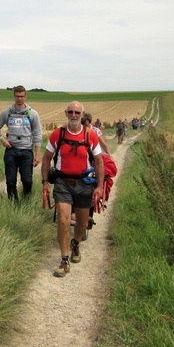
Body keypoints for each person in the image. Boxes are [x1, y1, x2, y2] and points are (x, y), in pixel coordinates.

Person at [41, 101, 104, 278]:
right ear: (65, 113)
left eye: (77, 112)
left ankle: (75, 243)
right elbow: (46, 159)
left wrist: (99, 186)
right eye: (70, 112)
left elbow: (99, 161)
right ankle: (64, 259)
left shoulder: (90, 136)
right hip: (63, 183)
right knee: (63, 220)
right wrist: (45, 182)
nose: (74, 115)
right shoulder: (57, 134)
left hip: (84, 184)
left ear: (82, 114)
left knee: (83, 224)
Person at [0, 85, 43, 202]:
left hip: (26, 151)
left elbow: (38, 135)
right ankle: (13, 205)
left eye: (22, 96)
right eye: (17, 96)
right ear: (14, 96)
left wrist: (37, 154)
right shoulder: (7, 112)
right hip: (11, 150)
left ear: (25, 96)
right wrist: (2, 140)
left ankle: (26, 202)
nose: (19, 99)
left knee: (27, 181)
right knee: (10, 181)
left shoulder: (32, 114)